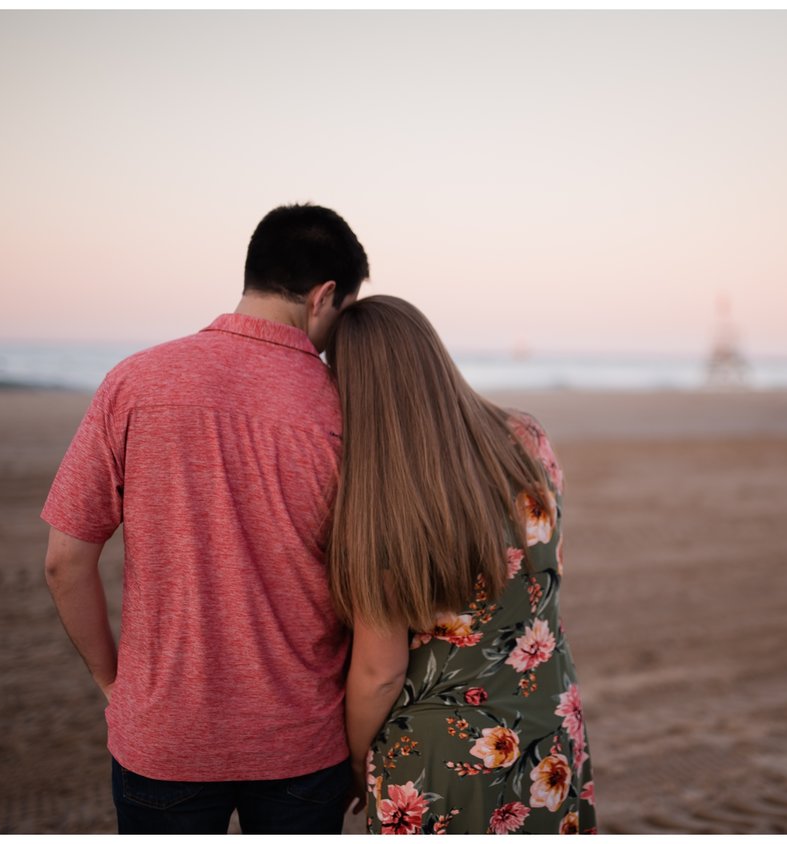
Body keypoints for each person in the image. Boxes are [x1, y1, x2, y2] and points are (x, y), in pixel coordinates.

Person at [41, 204, 368, 833]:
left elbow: (64, 561)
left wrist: (116, 684)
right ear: (325, 295)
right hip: (302, 739)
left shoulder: (136, 381)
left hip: (164, 737)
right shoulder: (343, 408)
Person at [325, 296, 597, 834]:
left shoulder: (384, 491)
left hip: (442, 760)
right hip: (550, 726)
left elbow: (381, 674)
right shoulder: (528, 436)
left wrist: (355, 762)